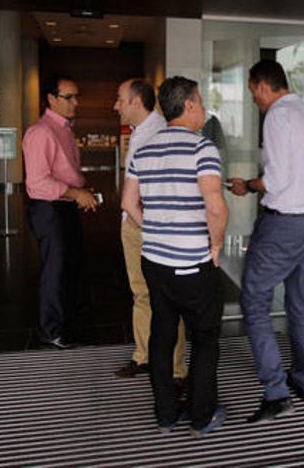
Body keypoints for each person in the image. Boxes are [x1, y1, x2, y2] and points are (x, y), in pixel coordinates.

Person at [228, 60, 304, 423]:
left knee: (254, 298)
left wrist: (249, 185)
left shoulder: (277, 117)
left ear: (262, 86)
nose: (254, 99)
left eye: (251, 92)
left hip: (284, 226)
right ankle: (303, 381)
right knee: (301, 302)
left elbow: (276, 180)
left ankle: (276, 392)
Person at [121, 76, 229, 438]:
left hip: (155, 261)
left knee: (162, 333)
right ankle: (202, 417)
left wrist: (152, 230)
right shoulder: (202, 148)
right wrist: (215, 246)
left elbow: (127, 204)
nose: (202, 108)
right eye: (199, 101)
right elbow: (215, 208)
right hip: (193, 265)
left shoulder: (145, 149)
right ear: (188, 105)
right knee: (205, 339)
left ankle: (166, 414)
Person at [112, 79, 189, 384]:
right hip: (132, 224)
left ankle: (176, 370)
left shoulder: (159, 132)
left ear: (135, 102)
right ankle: (143, 356)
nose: (115, 106)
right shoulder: (139, 133)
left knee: (168, 299)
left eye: (119, 99)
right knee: (141, 294)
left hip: (152, 229)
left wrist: (145, 221)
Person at [23, 75, 99, 350]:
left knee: (70, 266)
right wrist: (76, 192)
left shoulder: (65, 129)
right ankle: (50, 330)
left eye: (77, 96)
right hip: (48, 209)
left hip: (65, 206)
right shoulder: (40, 132)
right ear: (51, 99)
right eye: (69, 97)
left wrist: (81, 189)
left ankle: (66, 322)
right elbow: (37, 183)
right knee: (54, 270)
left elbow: (66, 172)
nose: (75, 102)